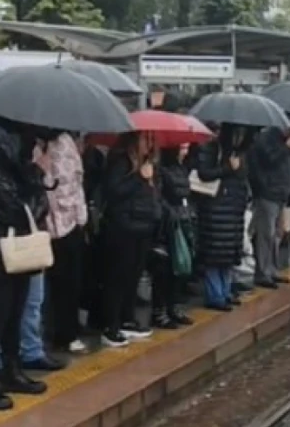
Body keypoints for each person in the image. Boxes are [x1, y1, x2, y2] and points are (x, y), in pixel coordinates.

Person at [0, 116, 52, 410]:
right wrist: (35, 183)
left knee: (14, 314)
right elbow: (20, 208)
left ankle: (11, 372)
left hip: (16, 251)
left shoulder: (16, 167)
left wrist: (37, 179)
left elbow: (38, 205)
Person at [100, 132, 161, 346]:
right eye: (146, 139)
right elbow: (114, 191)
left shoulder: (148, 164)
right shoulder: (120, 161)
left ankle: (127, 318)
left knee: (133, 275)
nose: (150, 145)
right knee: (118, 276)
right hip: (123, 226)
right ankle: (111, 325)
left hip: (142, 226)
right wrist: (138, 178)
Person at [196, 124, 251, 309]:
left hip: (233, 208)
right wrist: (227, 168)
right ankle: (215, 295)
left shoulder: (241, 153)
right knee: (215, 253)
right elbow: (204, 173)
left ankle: (225, 291)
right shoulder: (212, 148)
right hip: (215, 207)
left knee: (228, 253)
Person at [44, 130, 88, 355]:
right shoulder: (37, 146)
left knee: (71, 280)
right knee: (56, 281)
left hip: (71, 220)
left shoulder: (66, 141)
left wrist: (81, 216)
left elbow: (78, 180)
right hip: (50, 223)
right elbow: (47, 187)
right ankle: (58, 331)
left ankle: (68, 329)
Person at [151, 146, 195, 328]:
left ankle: (174, 306)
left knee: (180, 267)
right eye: (182, 147)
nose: (185, 151)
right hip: (168, 224)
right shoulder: (161, 171)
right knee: (165, 268)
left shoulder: (182, 168)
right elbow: (159, 197)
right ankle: (160, 310)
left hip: (183, 220)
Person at [248, 126, 290, 289]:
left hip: (281, 193)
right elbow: (270, 160)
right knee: (265, 234)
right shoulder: (266, 139)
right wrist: (286, 148)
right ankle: (262, 272)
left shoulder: (285, 141)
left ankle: (272, 269)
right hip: (268, 193)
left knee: (277, 233)